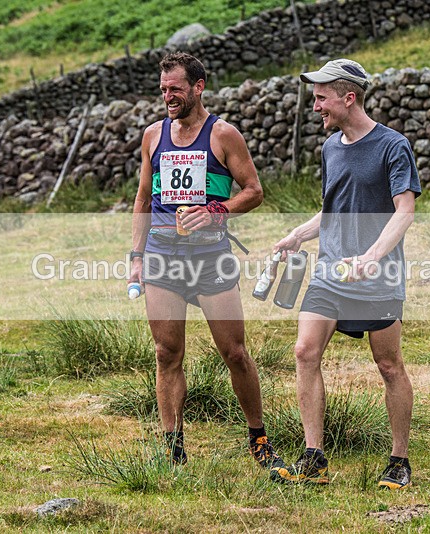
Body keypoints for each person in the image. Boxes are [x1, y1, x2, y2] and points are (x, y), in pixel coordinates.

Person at [128, 52, 284, 472]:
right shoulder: (152, 136)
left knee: (233, 352)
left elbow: (253, 190)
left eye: (175, 89)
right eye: (163, 90)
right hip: (162, 254)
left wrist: (217, 212)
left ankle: (258, 438)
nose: (168, 97)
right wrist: (136, 257)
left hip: (210, 256)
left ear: (198, 87)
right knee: (166, 353)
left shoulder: (223, 135)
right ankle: (173, 448)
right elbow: (143, 199)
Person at [270, 59, 421, 489]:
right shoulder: (330, 147)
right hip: (330, 272)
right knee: (304, 351)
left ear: (347, 97)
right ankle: (314, 458)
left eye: (320, 98)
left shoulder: (394, 146)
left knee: (388, 365)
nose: (315, 106)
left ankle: (399, 460)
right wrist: (297, 235)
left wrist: (372, 255)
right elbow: (332, 208)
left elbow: (404, 210)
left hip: (378, 275)